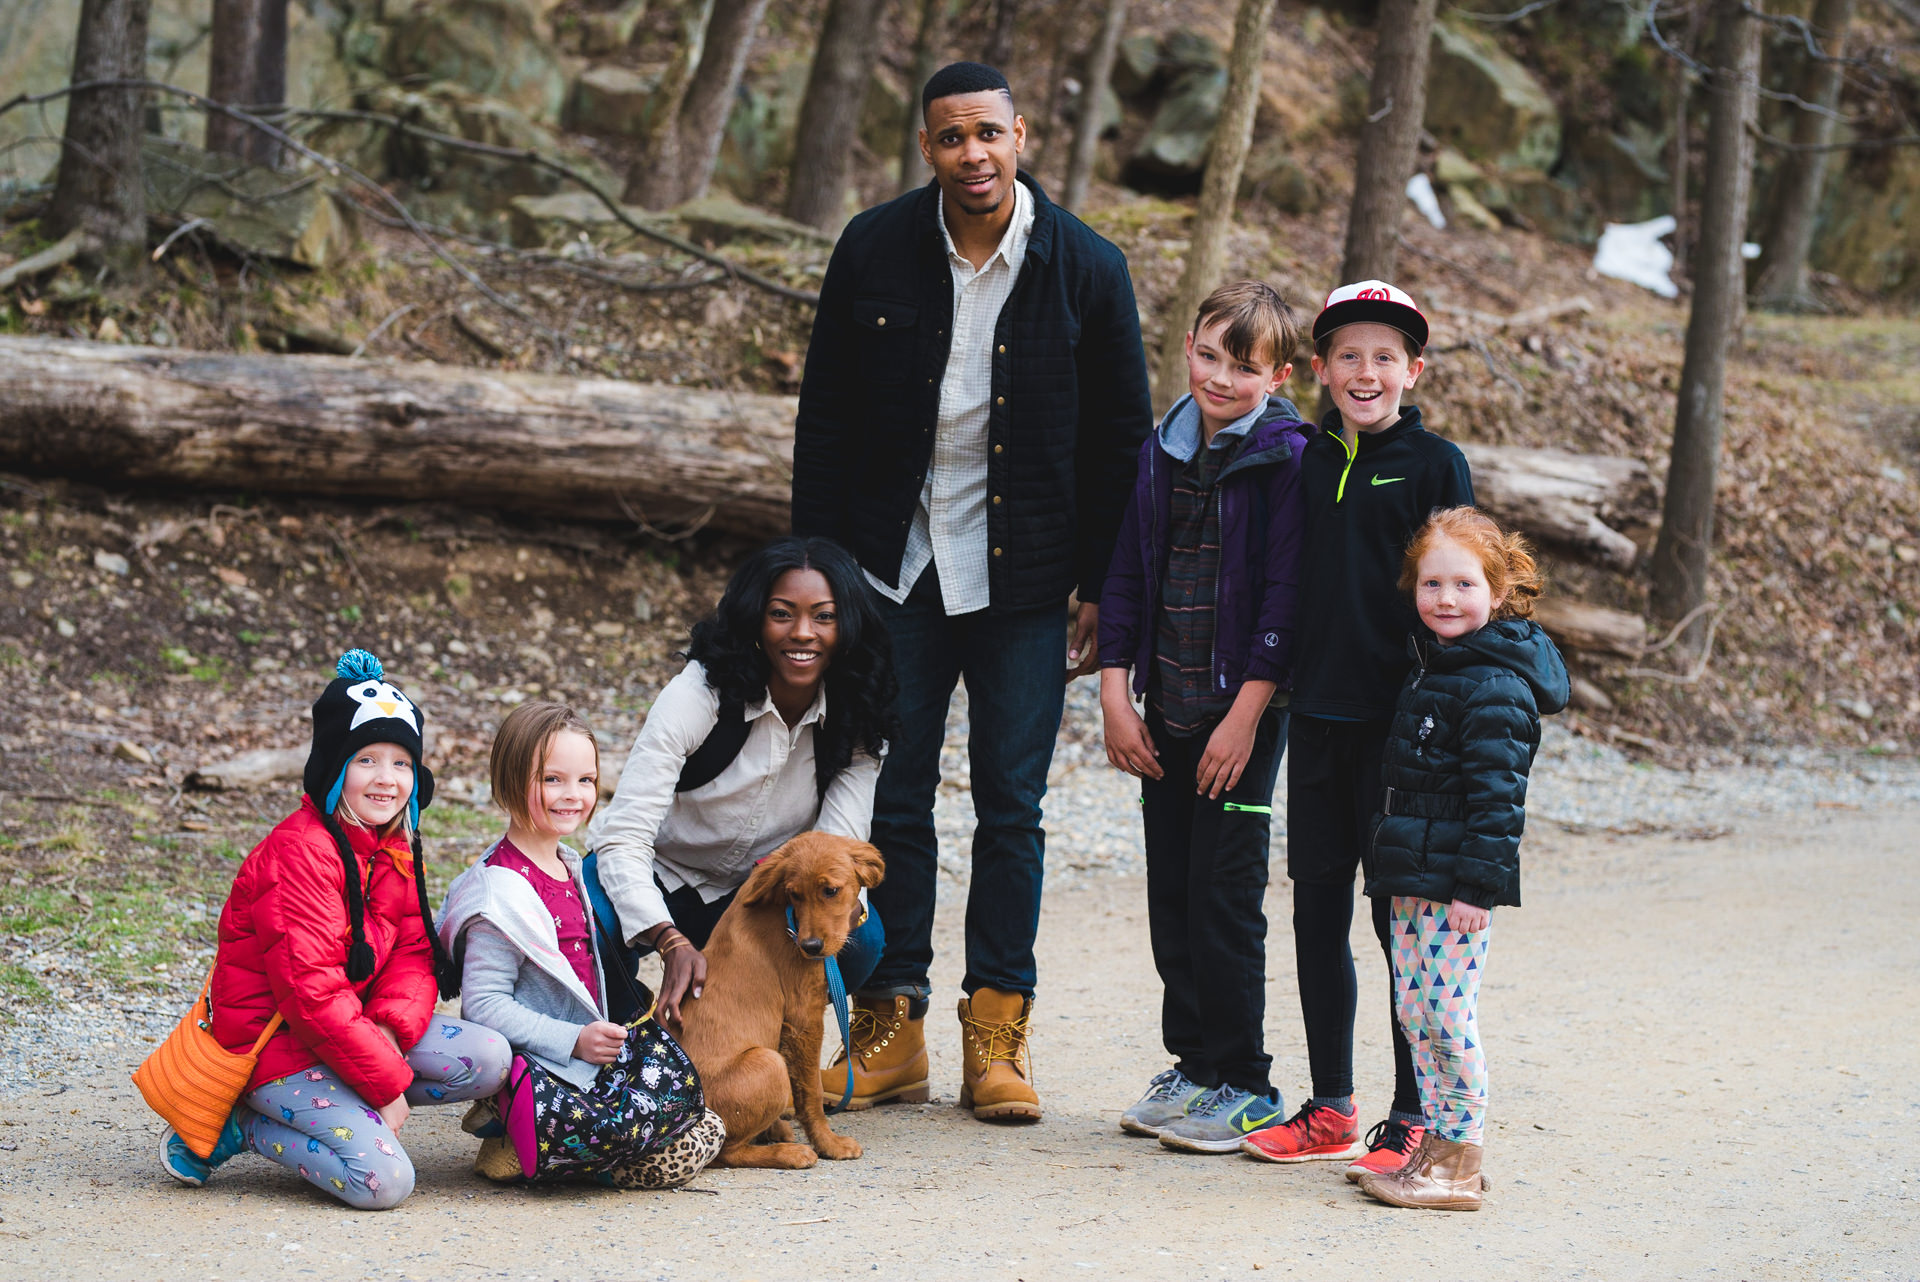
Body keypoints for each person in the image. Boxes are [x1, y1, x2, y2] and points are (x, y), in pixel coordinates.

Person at [790, 59, 1152, 1123]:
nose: (973, 154)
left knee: (1014, 804)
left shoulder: (1087, 267)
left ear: (1021, 134)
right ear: (929, 148)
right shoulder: (873, 247)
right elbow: (826, 415)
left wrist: (1101, 583)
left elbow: (1121, 441)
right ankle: (892, 1019)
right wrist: (819, 569)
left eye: (989, 133)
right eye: (952, 138)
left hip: (1026, 584)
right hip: (890, 571)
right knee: (889, 799)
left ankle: (998, 1025)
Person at [1242, 281, 1477, 1177]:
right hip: (1320, 720)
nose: (1366, 371)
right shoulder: (1307, 458)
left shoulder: (1434, 465)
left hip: (1400, 729)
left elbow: (1462, 593)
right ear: (1320, 370)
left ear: (1413, 371)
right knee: (1315, 910)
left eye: (1385, 356)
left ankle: (1412, 1114)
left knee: (1397, 924)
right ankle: (1331, 1104)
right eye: (1348, 355)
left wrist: (1451, 712)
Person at [160, 649, 511, 1210]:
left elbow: (414, 954)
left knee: (489, 1057)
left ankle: (344, 1100)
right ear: (333, 769)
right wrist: (387, 1084)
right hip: (277, 1047)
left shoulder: (391, 848)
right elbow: (311, 993)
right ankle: (243, 1124)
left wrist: (391, 1037)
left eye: (401, 764)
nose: (386, 779)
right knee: (384, 1182)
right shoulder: (299, 853)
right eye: (366, 759)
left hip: (348, 1032)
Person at [1096, 281, 1309, 1152]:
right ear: (1188, 345)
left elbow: (1288, 598)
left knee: (1225, 898)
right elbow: (1126, 574)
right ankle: (1193, 1065)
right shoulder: (1161, 447)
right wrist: (1115, 689)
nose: (1220, 377)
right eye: (1209, 355)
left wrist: (1247, 715)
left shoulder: (1291, 457)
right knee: (1172, 892)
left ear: (1278, 374)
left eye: (1243, 366)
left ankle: (1245, 1082)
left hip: (1241, 721)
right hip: (1168, 706)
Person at [590, 537, 895, 1044]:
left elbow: (835, 848)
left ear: (849, 626)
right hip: (661, 869)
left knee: (859, 938)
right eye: (781, 614)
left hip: (761, 891)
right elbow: (624, 837)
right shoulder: (699, 693)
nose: (803, 633)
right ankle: (635, 1042)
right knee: (588, 927)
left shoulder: (858, 713)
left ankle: (754, 1044)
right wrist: (670, 941)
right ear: (754, 618)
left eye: (824, 616)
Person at [1355, 507, 1568, 1209]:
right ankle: (1434, 1152)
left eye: (1465, 585)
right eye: (1432, 583)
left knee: (1447, 1017)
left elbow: (1499, 804)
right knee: (1415, 1011)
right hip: (1415, 879)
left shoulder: (1496, 686)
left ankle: (1462, 1163)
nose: (1446, 599)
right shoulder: (1435, 665)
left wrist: (1478, 887)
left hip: (1456, 890)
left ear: (1499, 592)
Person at [438, 701, 725, 1188]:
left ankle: (523, 1139)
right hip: (550, 1064)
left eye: (586, 781)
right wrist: (574, 1040)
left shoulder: (568, 866)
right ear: (509, 780)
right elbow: (484, 1006)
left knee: (705, 1122)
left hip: (586, 1059)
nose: (572, 795)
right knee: (674, 1153)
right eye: (552, 780)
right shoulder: (500, 894)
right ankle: (519, 1129)